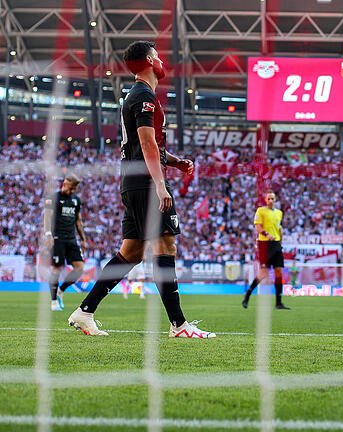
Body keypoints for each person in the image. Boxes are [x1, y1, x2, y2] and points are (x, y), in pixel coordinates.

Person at [67, 40, 215, 338]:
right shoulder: (144, 96)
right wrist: (161, 185)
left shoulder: (136, 95)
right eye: (158, 57)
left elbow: (144, 146)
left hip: (133, 181)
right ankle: (179, 325)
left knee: (131, 252)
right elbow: (146, 144)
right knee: (166, 245)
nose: (162, 62)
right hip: (146, 183)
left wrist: (175, 162)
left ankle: (84, 312)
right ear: (149, 60)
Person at [43, 174, 87, 311]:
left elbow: (78, 221)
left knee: (79, 268)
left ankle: (60, 290)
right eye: (71, 188)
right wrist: (48, 235)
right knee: (57, 268)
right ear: (64, 184)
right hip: (57, 238)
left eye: (75, 189)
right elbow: (47, 217)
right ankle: (53, 301)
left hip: (71, 239)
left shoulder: (76, 200)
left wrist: (83, 239)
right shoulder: (53, 198)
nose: (73, 191)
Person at [242, 191, 290, 310]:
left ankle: (279, 302)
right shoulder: (261, 211)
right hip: (265, 244)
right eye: (268, 199)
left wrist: (280, 242)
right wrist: (266, 234)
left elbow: (279, 228)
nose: (270, 201)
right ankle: (248, 294)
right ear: (265, 200)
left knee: (279, 271)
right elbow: (257, 226)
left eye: (272, 199)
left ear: (275, 200)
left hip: (276, 244)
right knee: (263, 272)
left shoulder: (279, 213)